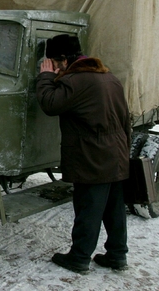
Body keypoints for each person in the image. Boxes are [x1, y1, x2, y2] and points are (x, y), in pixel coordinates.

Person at [35, 34, 131, 274]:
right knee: (114, 209)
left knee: (89, 208)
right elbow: (126, 119)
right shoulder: (109, 77)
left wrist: (45, 76)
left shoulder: (77, 81)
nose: (55, 68)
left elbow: (50, 104)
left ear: (65, 60)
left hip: (93, 155)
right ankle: (117, 255)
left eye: (55, 63)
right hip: (116, 152)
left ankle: (79, 258)